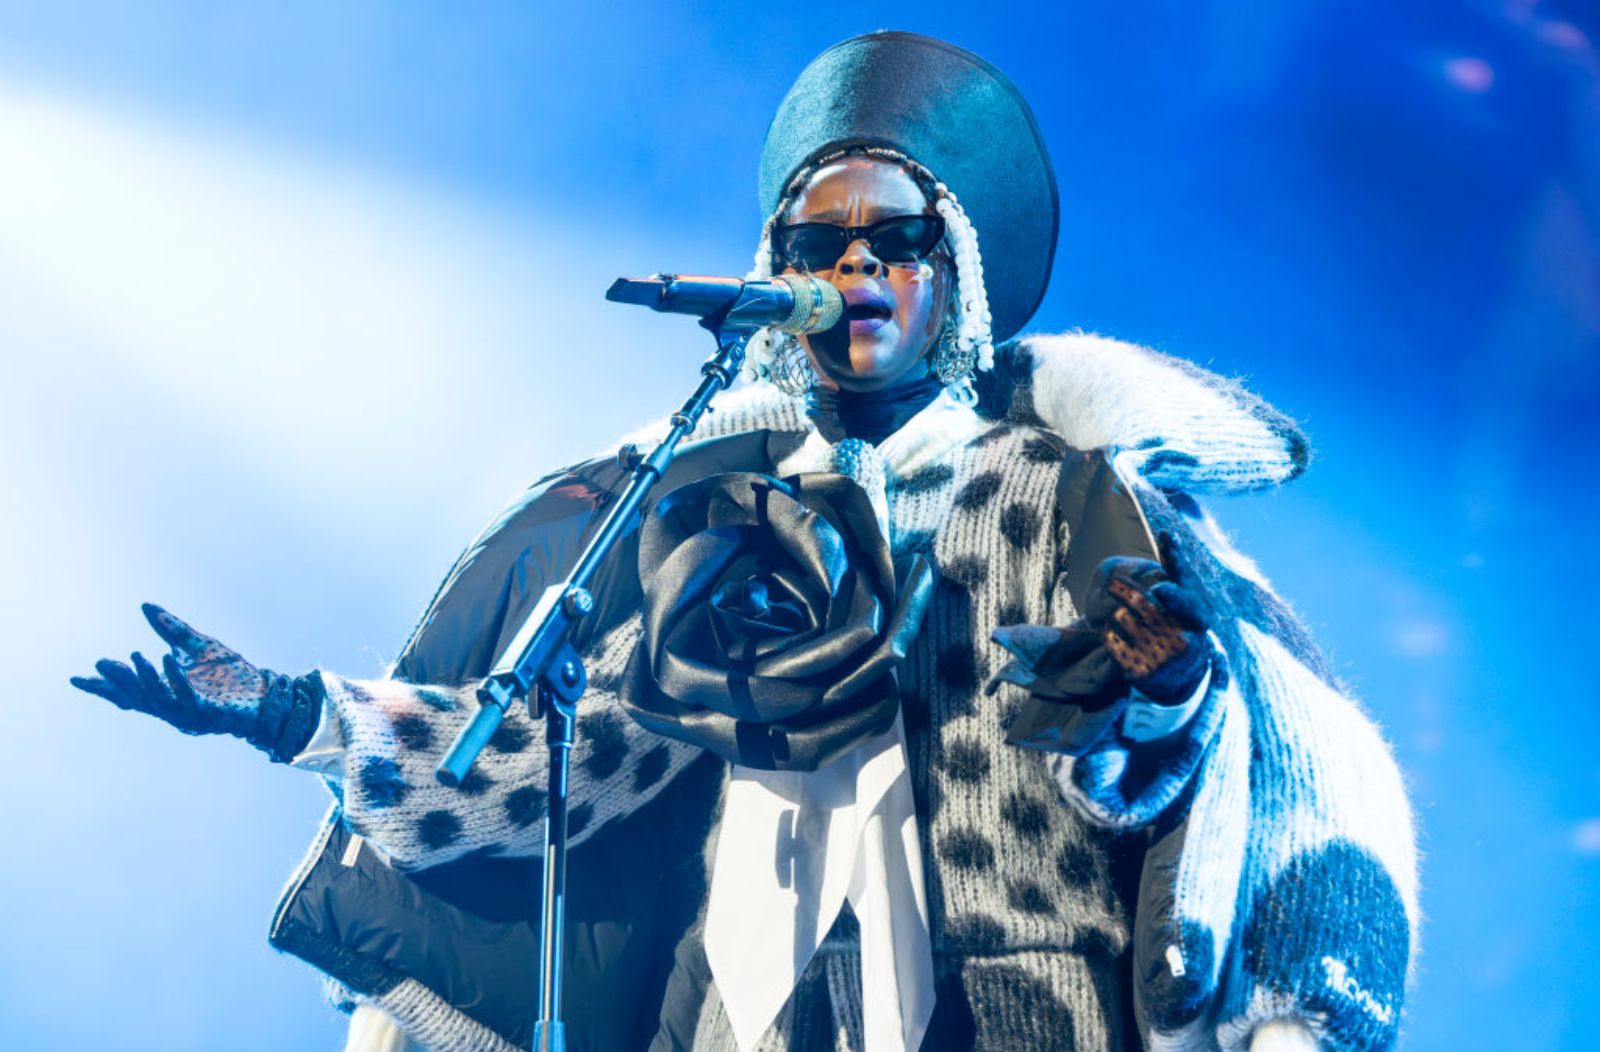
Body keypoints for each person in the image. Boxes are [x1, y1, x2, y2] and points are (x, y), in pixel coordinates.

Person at [72, 31, 1416, 1052]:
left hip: (1010, 1003)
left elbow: (1232, 763)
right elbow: (567, 760)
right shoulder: (708, 502)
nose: (855, 270)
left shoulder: (1059, 489)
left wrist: (1162, 691)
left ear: (955, 276)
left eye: (895, 238)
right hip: (748, 1005)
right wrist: (292, 713)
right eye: (817, 241)